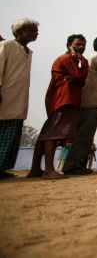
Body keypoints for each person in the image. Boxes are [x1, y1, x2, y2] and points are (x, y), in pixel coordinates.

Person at [28, 34, 89, 179]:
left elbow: (80, 80)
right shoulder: (67, 59)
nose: (81, 47)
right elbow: (78, 78)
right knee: (53, 134)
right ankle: (49, 170)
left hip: (66, 99)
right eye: (78, 44)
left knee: (46, 134)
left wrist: (82, 66)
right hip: (64, 99)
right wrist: (83, 65)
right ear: (69, 45)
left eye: (83, 45)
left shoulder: (77, 61)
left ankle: (35, 169)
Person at [62, 36, 97, 175]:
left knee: (83, 132)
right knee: (85, 133)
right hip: (92, 99)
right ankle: (73, 165)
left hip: (87, 99)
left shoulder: (90, 57)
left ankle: (77, 164)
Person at [0, 18, 39, 178]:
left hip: (19, 98)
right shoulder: (7, 46)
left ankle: (3, 167)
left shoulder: (28, 52)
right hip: (5, 96)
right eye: (31, 30)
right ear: (20, 32)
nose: (36, 33)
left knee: (13, 132)